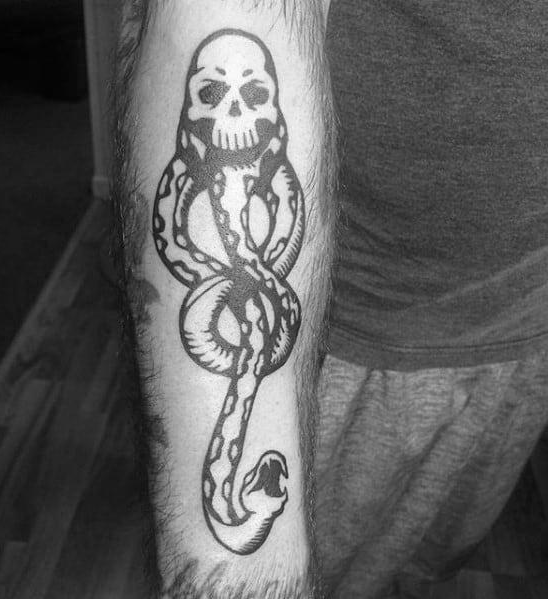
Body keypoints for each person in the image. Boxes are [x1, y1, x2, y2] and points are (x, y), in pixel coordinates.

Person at [113, 1, 548, 598]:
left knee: (421, 552)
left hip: (526, 326)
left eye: (249, 98)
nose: (233, 111)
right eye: (213, 96)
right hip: (340, 344)